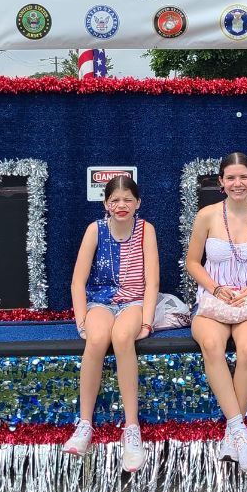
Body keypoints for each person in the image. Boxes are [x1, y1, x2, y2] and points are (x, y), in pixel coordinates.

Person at [186, 152, 247, 470]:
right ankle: (240, 429)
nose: (238, 183)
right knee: (212, 345)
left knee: (246, 347)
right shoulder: (206, 215)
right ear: (221, 182)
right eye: (231, 178)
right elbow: (192, 262)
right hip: (212, 301)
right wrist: (215, 288)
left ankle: (233, 434)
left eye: (243, 177)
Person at [62, 175, 159, 472]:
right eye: (115, 200)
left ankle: (132, 429)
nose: (121, 205)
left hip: (133, 302)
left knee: (121, 337)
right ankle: (85, 424)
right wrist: (82, 320)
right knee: (96, 338)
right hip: (100, 301)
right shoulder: (95, 230)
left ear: (138, 202)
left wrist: (146, 320)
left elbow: (152, 280)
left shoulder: (146, 230)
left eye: (128, 199)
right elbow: (78, 282)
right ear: (105, 203)